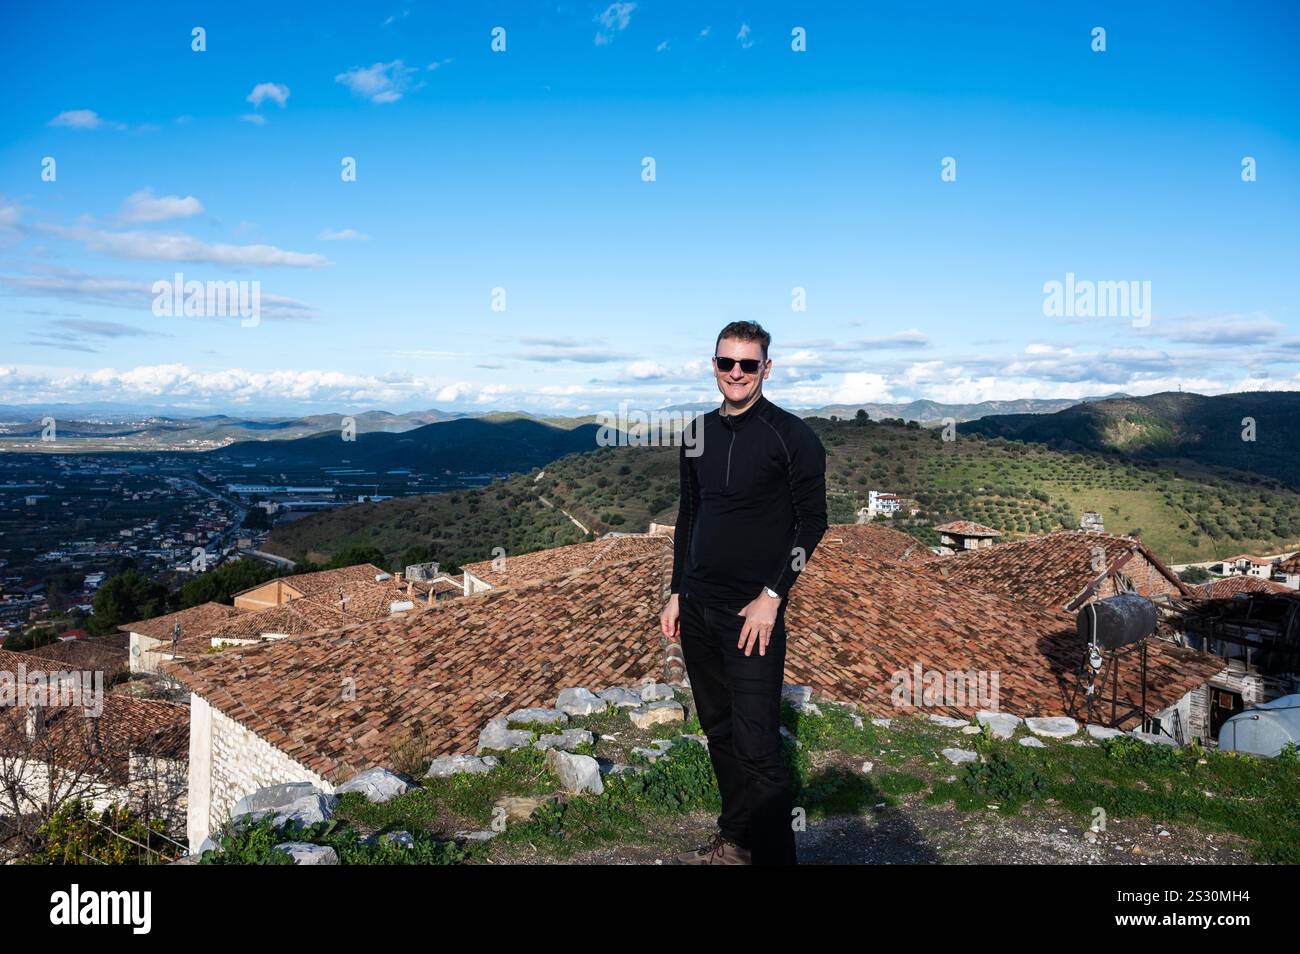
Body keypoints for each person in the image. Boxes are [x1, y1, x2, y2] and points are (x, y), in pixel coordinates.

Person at [660, 320, 828, 865]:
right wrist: (677, 591)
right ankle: (735, 840)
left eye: (748, 364)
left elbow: (813, 525)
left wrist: (772, 597)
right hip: (699, 606)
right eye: (726, 363)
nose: (736, 373)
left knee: (759, 750)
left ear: (766, 368)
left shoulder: (793, 437)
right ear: (714, 366)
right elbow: (690, 515)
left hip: (751, 614)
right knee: (720, 734)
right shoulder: (695, 433)